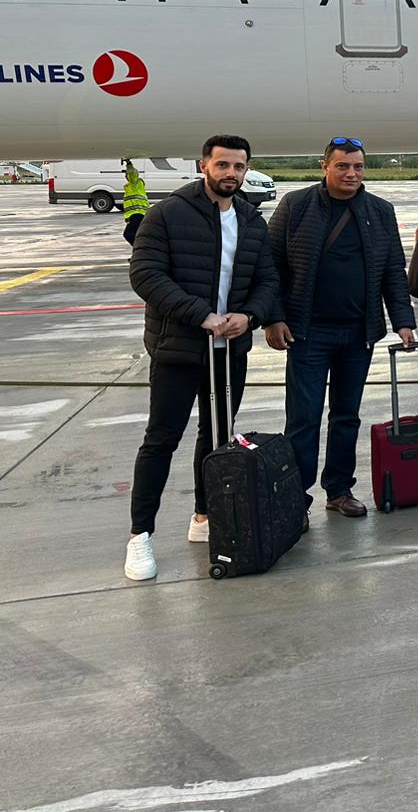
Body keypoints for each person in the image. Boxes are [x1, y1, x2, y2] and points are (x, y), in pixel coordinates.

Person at [124, 135, 279, 581]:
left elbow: (268, 279)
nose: (231, 173)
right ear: (203, 165)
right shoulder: (168, 213)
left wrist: (249, 316)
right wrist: (202, 316)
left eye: (239, 166)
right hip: (178, 348)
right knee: (161, 440)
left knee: (216, 438)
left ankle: (203, 515)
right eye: (223, 164)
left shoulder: (251, 220)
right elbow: (145, 274)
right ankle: (140, 535)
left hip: (230, 349)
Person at [266, 137, 416, 518]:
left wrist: (403, 320)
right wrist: (273, 318)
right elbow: (271, 267)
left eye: (358, 167)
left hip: (358, 334)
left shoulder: (380, 211)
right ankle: (296, 500)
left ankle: (338, 489)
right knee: (304, 418)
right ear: (325, 167)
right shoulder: (296, 206)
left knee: (347, 416)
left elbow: (393, 271)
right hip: (307, 333)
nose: (352, 174)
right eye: (343, 166)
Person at [121, 159, 149, 246]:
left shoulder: (135, 184)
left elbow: (132, 174)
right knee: (137, 235)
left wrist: (128, 164)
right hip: (136, 215)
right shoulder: (132, 187)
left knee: (128, 234)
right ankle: (141, 249)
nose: (126, 176)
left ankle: (140, 249)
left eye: (126, 174)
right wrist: (127, 217)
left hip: (137, 214)